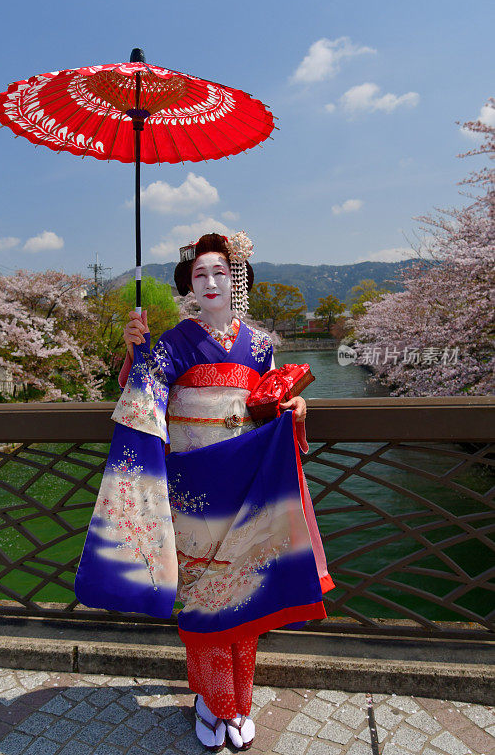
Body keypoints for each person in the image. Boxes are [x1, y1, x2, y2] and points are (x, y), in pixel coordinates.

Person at [75, 232, 333, 752]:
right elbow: (143, 394)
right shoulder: (173, 342)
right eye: (200, 274)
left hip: (245, 485)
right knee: (204, 596)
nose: (210, 282)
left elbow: (269, 401)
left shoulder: (260, 344)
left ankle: (240, 702)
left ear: (235, 278)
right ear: (189, 285)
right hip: (193, 489)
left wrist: (296, 410)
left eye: (220, 272)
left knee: (244, 593)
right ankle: (214, 703)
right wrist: (135, 351)